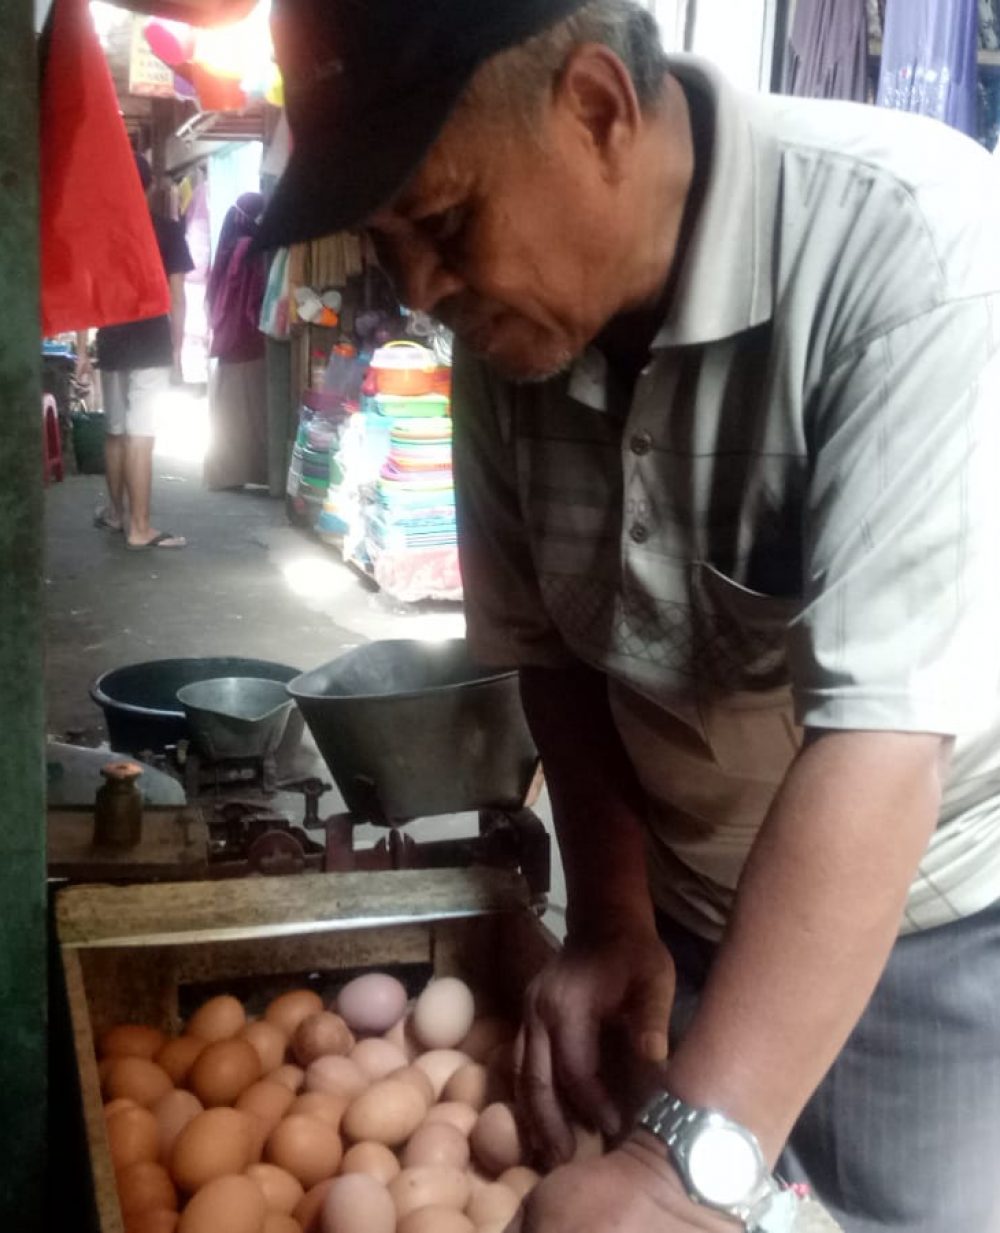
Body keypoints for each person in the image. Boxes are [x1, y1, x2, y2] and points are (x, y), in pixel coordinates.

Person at [258, 2, 1000, 1231]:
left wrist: (683, 1167)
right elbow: (548, 648)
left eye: (444, 223)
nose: (427, 290)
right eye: (392, 246)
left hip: (923, 924)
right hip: (684, 908)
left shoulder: (913, 252)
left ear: (598, 110)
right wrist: (609, 914)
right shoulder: (505, 340)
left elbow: (882, 738)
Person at [76, 151, 192, 550]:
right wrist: (177, 350)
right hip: (152, 343)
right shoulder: (167, 231)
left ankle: (115, 514)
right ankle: (140, 528)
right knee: (141, 437)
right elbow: (178, 299)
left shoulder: (99, 234)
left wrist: (81, 352)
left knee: (115, 432)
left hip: (111, 340)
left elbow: (85, 296)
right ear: (148, 186)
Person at [203, 191, 269, 490]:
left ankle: (227, 473)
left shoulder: (228, 246)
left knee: (229, 412)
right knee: (250, 411)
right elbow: (250, 299)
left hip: (227, 340)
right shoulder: (248, 248)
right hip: (248, 339)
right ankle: (249, 471)